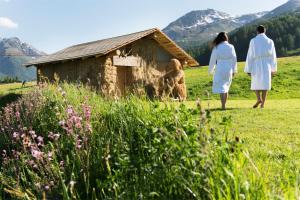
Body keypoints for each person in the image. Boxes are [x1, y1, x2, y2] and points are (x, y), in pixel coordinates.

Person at [245, 25, 277, 108]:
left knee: (255, 83)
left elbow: (250, 55)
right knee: (265, 84)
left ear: (257, 31)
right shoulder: (270, 41)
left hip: (256, 64)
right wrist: (273, 69)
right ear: (265, 31)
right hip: (267, 64)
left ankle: (259, 99)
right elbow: (273, 56)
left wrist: (248, 69)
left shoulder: (253, 41)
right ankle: (263, 104)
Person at [209, 32, 237, 110]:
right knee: (226, 87)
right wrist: (234, 70)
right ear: (226, 38)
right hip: (229, 68)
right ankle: (224, 104)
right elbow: (234, 59)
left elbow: (213, 59)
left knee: (222, 87)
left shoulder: (217, 47)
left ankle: (223, 105)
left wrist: (211, 70)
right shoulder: (231, 47)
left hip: (220, 68)